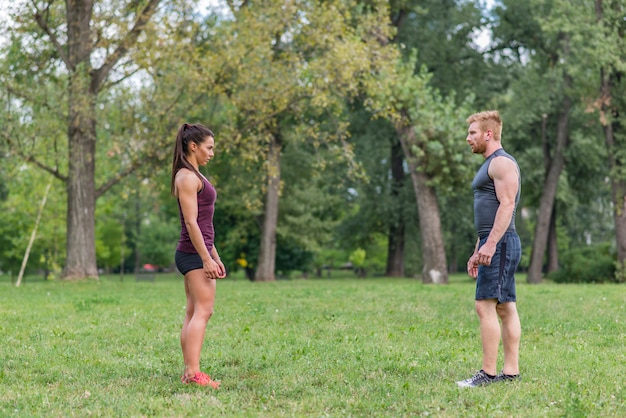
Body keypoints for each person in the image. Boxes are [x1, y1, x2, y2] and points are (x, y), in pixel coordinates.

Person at [457, 110, 522, 388]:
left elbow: (507, 206)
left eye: (472, 133)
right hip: (494, 241)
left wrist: (492, 244)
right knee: (505, 308)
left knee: (485, 306)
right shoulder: (489, 164)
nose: (467, 138)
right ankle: (510, 372)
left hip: (502, 242)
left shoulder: (502, 163)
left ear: (488, 134)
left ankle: (488, 374)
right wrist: (478, 248)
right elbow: (489, 213)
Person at [171, 123, 227, 388]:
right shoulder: (187, 177)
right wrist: (205, 259)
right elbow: (192, 223)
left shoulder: (195, 175)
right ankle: (194, 373)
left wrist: (214, 255)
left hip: (198, 251)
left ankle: (189, 372)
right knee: (204, 311)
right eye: (209, 147)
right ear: (193, 146)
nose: (212, 153)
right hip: (193, 254)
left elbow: (204, 224)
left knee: (194, 311)